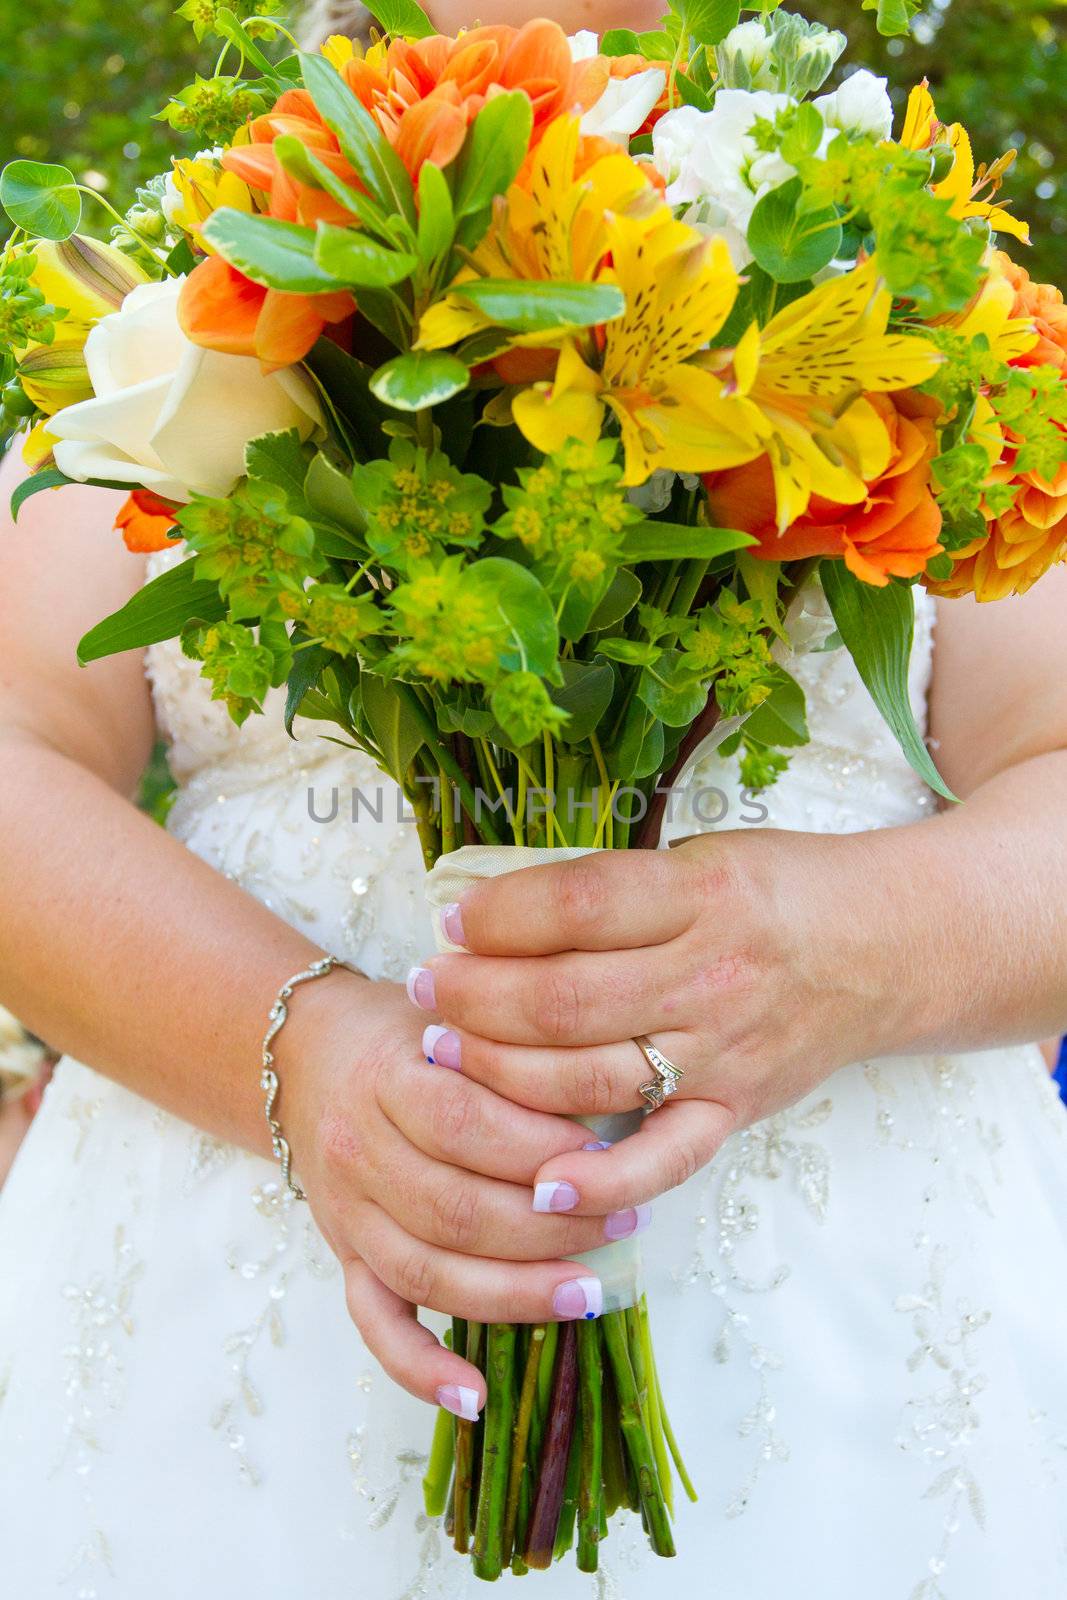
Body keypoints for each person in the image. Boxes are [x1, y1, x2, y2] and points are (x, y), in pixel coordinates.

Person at [2, 12, 1067, 1599]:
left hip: (857, 1329)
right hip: (236, 1301)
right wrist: (297, 1059)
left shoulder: (897, 270)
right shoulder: (203, 263)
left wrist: (852, 945)